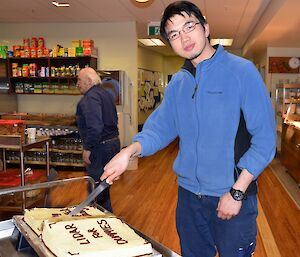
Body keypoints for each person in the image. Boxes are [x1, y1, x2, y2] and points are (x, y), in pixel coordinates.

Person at [101, 1, 276, 256]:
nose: (184, 37)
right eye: (174, 34)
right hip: (189, 198)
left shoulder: (241, 71)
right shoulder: (178, 83)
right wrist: (129, 151)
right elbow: (160, 128)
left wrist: (237, 192)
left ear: (205, 28)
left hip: (231, 193)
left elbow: (265, 139)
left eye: (189, 26)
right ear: (170, 43)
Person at [76, 67, 120, 212]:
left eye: (79, 80)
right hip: (112, 143)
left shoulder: (91, 97)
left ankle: (102, 221)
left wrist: (88, 149)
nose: (78, 84)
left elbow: (95, 126)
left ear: (88, 81)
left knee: (96, 189)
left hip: (100, 147)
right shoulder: (105, 94)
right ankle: (103, 218)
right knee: (104, 185)